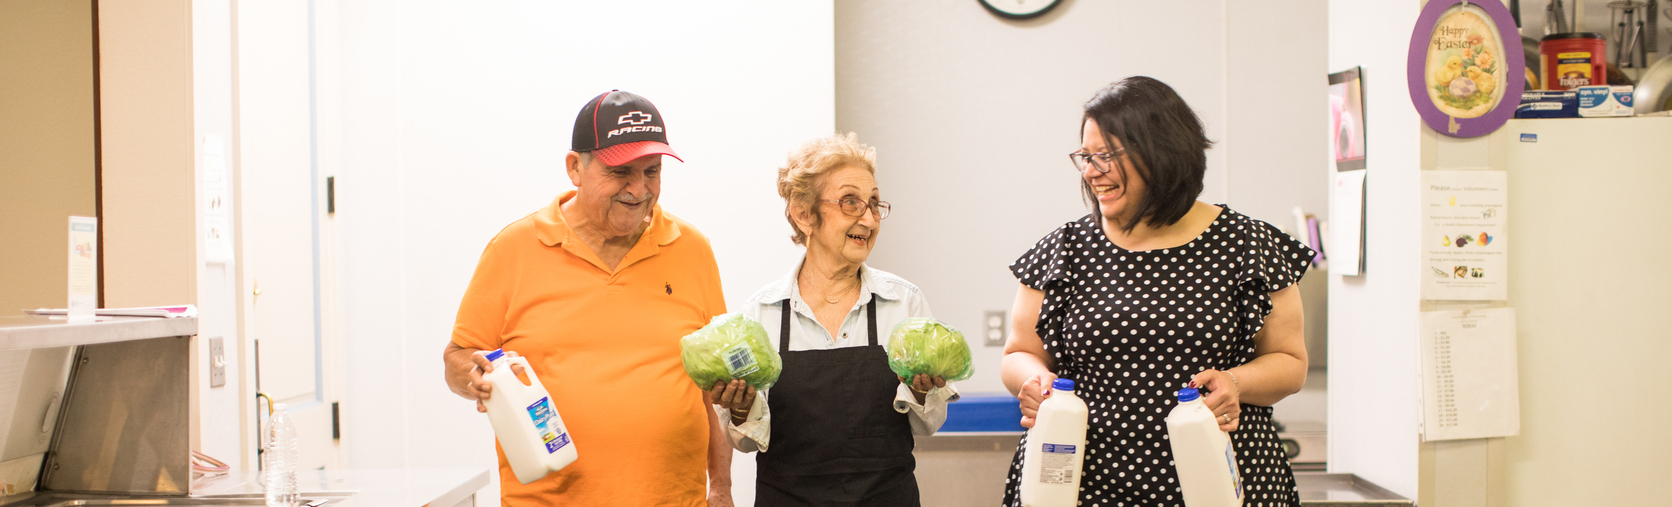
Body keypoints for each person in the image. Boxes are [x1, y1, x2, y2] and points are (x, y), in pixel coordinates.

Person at [1000, 77, 1313, 506]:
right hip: (1081, 486)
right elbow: (1018, 353)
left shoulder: (1248, 244)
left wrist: (1235, 382)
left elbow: (1291, 362)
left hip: (1222, 485)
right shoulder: (1064, 250)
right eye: (1085, 157)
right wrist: (1035, 382)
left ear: (1161, 153)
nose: (1092, 171)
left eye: (1106, 156)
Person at [443, 90, 734, 506]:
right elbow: (459, 355)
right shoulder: (513, 249)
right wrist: (471, 376)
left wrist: (720, 488)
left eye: (651, 172)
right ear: (575, 167)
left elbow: (713, 388)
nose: (639, 189)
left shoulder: (692, 249)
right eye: (621, 173)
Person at [706, 133, 960, 506]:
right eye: (850, 202)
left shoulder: (903, 304)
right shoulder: (762, 314)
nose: (869, 218)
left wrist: (923, 393)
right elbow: (745, 441)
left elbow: (929, 424)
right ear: (804, 213)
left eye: (874, 203)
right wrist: (740, 409)